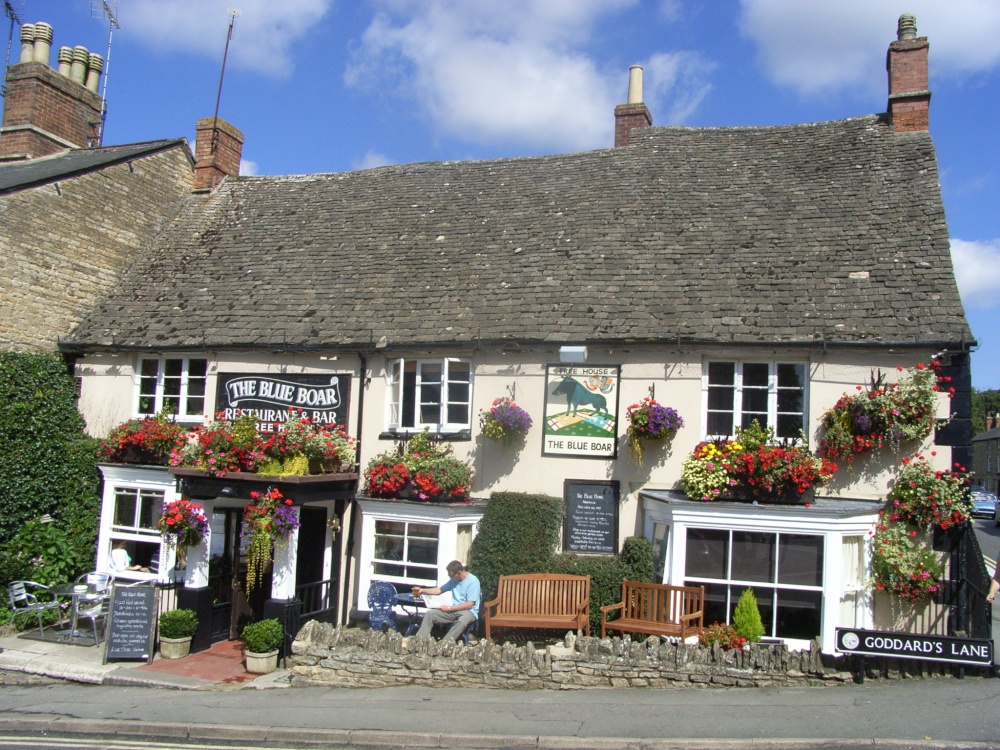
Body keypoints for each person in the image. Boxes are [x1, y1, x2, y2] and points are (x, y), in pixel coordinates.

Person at [414, 560, 480, 641]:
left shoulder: (473, 581)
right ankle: (420, 640)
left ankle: (444, 644)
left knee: (462, 622)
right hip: (454, 609)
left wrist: (449, 608)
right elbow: (439, 590)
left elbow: (470, 604)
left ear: (459, 573)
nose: (450, 578)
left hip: (469, 611)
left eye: (451, 576)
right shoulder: (454, 580)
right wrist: (422, 590)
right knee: (430, 614)